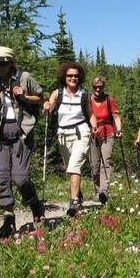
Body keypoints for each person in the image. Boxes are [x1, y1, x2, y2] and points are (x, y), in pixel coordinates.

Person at [0, 46, 44, 239]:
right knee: (1, 177)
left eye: (3, 63)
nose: (0, 67)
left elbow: (40, 97)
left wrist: (24, 96)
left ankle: (35, 204)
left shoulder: (24, 78)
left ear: (11, 62)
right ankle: (8, 220)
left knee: (20, 178)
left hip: (21, 132)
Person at [43, 61, 90, 217]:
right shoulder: (58, 93)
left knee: (74, 166)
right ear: (64, 77)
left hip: (81, 132)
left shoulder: (84, 94)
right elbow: (49, 109)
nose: (73, 78)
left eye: (76, 75)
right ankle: (78, 193)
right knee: (70, 167)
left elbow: (91, 114)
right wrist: (46, 107)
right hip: (63, 134)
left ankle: (74, 202)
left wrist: (95, 127)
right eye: (70, 75)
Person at [88, 76, 123, 204]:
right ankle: (98, 191)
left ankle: (104, 192)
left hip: (108, 133)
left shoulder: (109, 99)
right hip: (92, 135)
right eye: (95, 87)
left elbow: (116, 116)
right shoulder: (88, 100)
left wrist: (119, 129)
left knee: (106, 162)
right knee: (94, 166)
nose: (98, 89)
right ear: (92, 87)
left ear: (103, 87)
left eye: (100, 86)